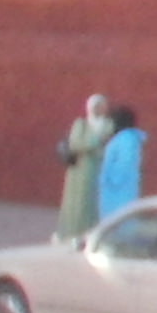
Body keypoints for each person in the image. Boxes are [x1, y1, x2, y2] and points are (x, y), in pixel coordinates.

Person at [54, 92, 112, 241]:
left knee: (93, 203)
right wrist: (95, 142)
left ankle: (90, 234)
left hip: (98, 169)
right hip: (78, 171)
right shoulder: (81, 124)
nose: (98, 109)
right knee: (76, 203)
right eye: (95, 106)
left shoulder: (108, 125)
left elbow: (106, 144)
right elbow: (75, 144)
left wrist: (90, 144)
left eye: (101, 106)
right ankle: (71, 234)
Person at [96, 105, 147, 219]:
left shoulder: (127, 139)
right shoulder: (123, 138)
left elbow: (125, 164)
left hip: (119, 191)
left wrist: (111, 181)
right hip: (115, 190)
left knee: (119, 223)